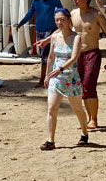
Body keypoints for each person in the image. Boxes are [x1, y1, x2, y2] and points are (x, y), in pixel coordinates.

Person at [33, 8, 89, 149]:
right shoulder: (54, 37)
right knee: (52, 108)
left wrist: (61, 69)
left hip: (71, 76)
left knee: (77, 109)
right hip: (56, 77)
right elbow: (51, 57)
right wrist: (47, 74)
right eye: (57, 20)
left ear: (69, 20)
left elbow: (74, 57)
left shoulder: (76, 37)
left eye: (62, 19)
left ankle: (84, 133)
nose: (59, 23)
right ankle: (50, 141)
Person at [70, 0, 106, 131]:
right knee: (83, 88)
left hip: (92, 53)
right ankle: (88, 117)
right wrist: (47, 40)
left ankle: (94, 119)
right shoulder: (73, 14)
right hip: (77, 54)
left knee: (89, 85)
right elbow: (63, 31)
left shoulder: (96, 14)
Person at [16, 0, 64, 86]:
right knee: (43, 55)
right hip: (39, 31)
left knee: (45, 55)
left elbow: (62, 11)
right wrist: (21, 23)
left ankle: (43, 80)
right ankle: (46, 78)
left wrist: (62, 25)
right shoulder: (36, 0)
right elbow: (30, 13)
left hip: (50, 30)